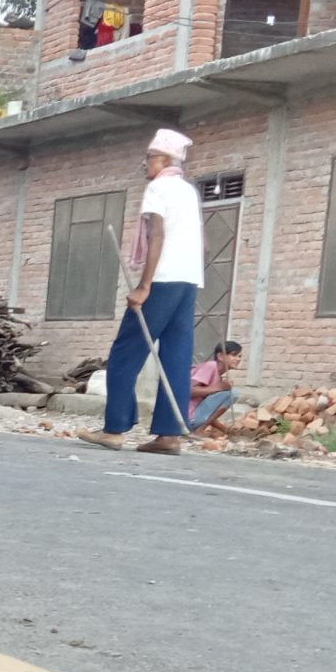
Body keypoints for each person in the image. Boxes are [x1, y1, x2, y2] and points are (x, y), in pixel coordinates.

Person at [78, 128, 203, 457]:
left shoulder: (158, 188)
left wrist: (144, 285)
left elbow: (157, 236)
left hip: (161, 281)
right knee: (176, 357)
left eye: (149, 157)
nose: (145, 163)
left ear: (164, 160)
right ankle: (168, 435)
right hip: (188, 280)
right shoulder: (188, 191)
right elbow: (201, 243)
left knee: (125, 353)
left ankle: (114, 429)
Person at [189, 341, 243, 432]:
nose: (238, 359)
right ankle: (199, 430)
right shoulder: (211, 366)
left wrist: (225, 430)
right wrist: (219, 388)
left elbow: (210, 412)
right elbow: (188, 391)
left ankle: (199, 429)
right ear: (220, 356)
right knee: (233, 393)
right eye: (234, 355)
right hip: (187, 418)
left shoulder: (218, 377)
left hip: (192, 420)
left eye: (239, 356)